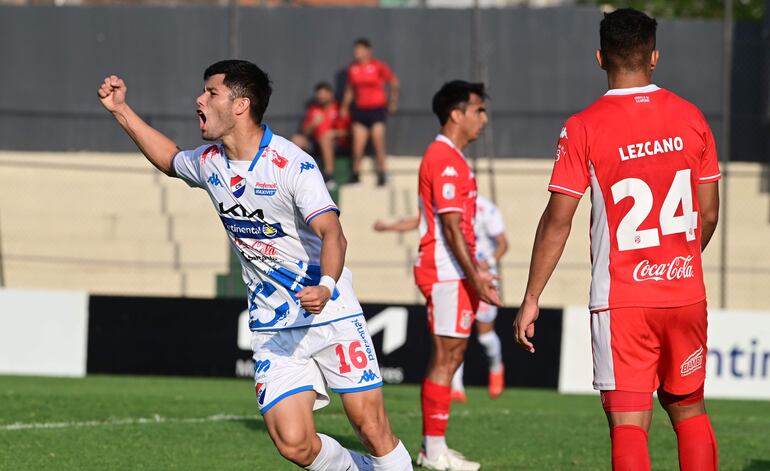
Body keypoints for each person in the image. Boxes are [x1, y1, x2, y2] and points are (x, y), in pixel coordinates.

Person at [98, 60, 412, 471]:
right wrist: (121, 109)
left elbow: (333, 233)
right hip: (273, 324)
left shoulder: (291, 163)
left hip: (328, 311)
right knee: (293, 443)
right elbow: (170, 159)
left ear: (241, 105)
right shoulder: (210, 161)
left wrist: (327, 285)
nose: (200, 99)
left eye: (211, 93)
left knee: (371, 427)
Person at [513, 9, 720, 471]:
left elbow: (557, 221)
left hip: (623, 298)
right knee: (689, 413)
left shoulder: (584, 126)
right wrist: (678, 258)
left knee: (629, 423)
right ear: (655, 57)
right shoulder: (691, 117)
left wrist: (531, 297)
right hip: (685, 292)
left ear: (600, 57)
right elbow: (708, 213)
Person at [412, 80, 501, 471]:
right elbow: (450, 227)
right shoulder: (444, 158)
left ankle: (436, 447)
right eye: (478, 110)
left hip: (456, 271)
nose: (483, 118)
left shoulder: (454, 158)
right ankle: (433, 451)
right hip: (446, 271)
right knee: (446, 357)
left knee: (453, 354)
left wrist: (478, 269)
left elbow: (460, 226)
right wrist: (475, 276)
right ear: (457, 114)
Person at [372, 194, 509, 402]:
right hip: (456, 275)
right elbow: (420, 220)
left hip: (482, 276)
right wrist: (390, 227)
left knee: (485, 336)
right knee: (455, 335)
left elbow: (503, 243)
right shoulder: (447, 206)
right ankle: (456, 387)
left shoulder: (486, 209)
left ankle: (496, 367)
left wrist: (488, 261)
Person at [340, 38, 399, 187]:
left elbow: (394, 82)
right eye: (355, 50)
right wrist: (345, 107)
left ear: (368, 51)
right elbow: (350, 90)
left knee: (378, 141)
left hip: (377, 110)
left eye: (359, 49)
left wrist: (393, 101)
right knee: (358, 144)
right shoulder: (352, 69)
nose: (357, 53)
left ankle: (382, 173)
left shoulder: (378, 66)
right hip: (360, 110)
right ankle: (355, 175)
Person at [292, 82, 350, 190]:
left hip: (337, 145)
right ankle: (295, 176)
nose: (322, 97)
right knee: (296, 140)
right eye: (319, 95)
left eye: (324, 94)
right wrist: (312, 124)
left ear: (330, 94)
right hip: (316, 143)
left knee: (325, 139)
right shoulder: (313, 109)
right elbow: (304, 133)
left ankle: (329, 176)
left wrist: (334, 133)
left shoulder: (339, 108)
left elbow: (349, 132)